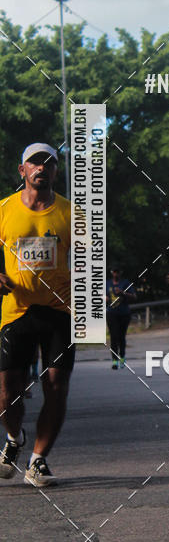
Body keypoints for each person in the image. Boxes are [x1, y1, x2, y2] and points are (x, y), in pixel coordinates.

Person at [0, 143, 73, 486]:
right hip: (17, 310)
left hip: (60, 310)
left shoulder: (73, 214)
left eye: (49, 163)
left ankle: (38, 460)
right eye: (35, 163)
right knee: (5, 391)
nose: (41, 168)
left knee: (56, 385)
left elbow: (92, 262)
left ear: (56, 171)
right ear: (22, 170)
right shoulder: (3, 210)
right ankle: (15, 438)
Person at [106, 266, 137, 368]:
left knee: (121, 337)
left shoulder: (126, 283)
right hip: (111, 313)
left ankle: (122, 357)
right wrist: (104, 298)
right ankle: (114, 361)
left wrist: (123, 293)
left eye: (118, 272)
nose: (116, 274)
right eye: (114, 272)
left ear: (121, 273)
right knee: (113, 337)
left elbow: (134, 296)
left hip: (124, 314)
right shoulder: (107, 283)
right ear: (112, 273)